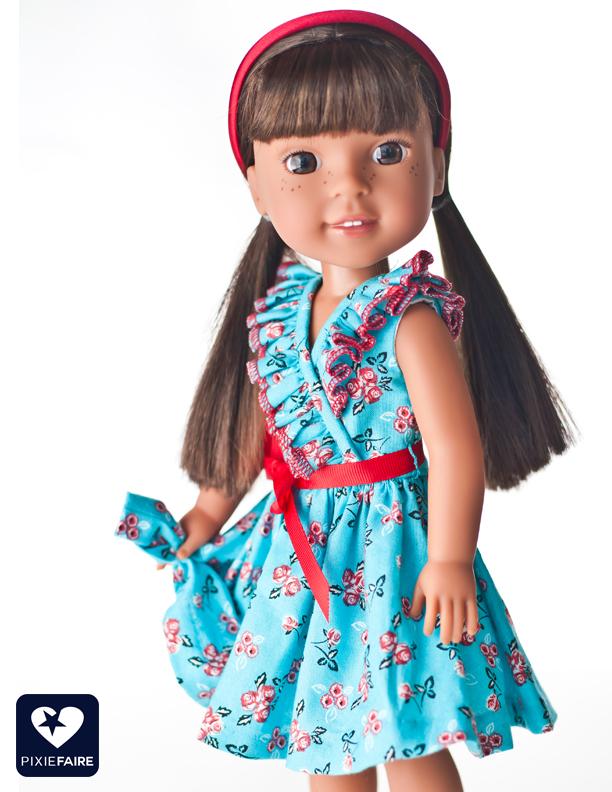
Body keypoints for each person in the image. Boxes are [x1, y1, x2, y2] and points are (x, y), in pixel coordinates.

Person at [116, 10, 576, 790]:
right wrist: (207, 510)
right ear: (257, 185)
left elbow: (454, 448)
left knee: (407, 729)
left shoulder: (409, 317)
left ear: (437, 163)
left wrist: (450, 557)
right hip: (301, 558)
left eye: (388, 153)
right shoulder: (281, 312)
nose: (350, 185)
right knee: (324, 729)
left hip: (395, 553)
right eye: (303, 161)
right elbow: (264, 431)